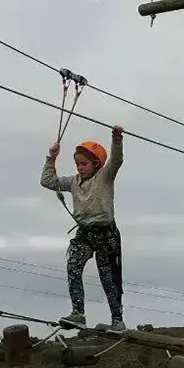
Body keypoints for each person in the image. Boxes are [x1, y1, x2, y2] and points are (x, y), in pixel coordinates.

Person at [40, 126, 126, 331]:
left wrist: (116, 138)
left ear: (96, 163)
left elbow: (117, 160)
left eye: (84, 164)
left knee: (108, 278)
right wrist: (51, 158)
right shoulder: (72, 182)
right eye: (77, 164)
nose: (80, 167)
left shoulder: (105, 176)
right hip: (85, 234)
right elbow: (47, 181)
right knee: (73, 266)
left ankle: (117, 320)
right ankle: (78, 313)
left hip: (106, 234)